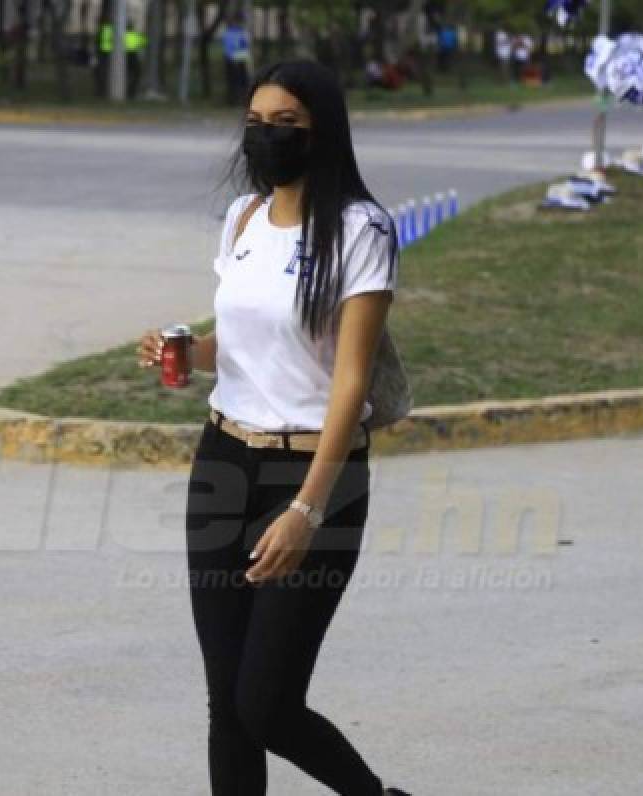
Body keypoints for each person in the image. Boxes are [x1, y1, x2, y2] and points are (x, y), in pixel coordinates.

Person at [137, 59, 412, 796]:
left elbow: (349, 382)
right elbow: (242, 345)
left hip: (313, 475)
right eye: (256, 124)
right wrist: (184, 355)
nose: (265, 138)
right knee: (226, 706)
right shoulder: (245, 219)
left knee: (267, 705)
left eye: (285, 125)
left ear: (322, 132)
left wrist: (306, 510)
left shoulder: (362, 230)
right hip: (224, 461)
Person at [222, 13, 252, 106]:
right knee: (235, 81)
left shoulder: (241, 31)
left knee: (243, 81)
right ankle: (234, 101)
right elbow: (230, 47)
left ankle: (243, 100)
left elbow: (245, 45)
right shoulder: (230, 33)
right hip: (234, 59)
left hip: (240, 59)